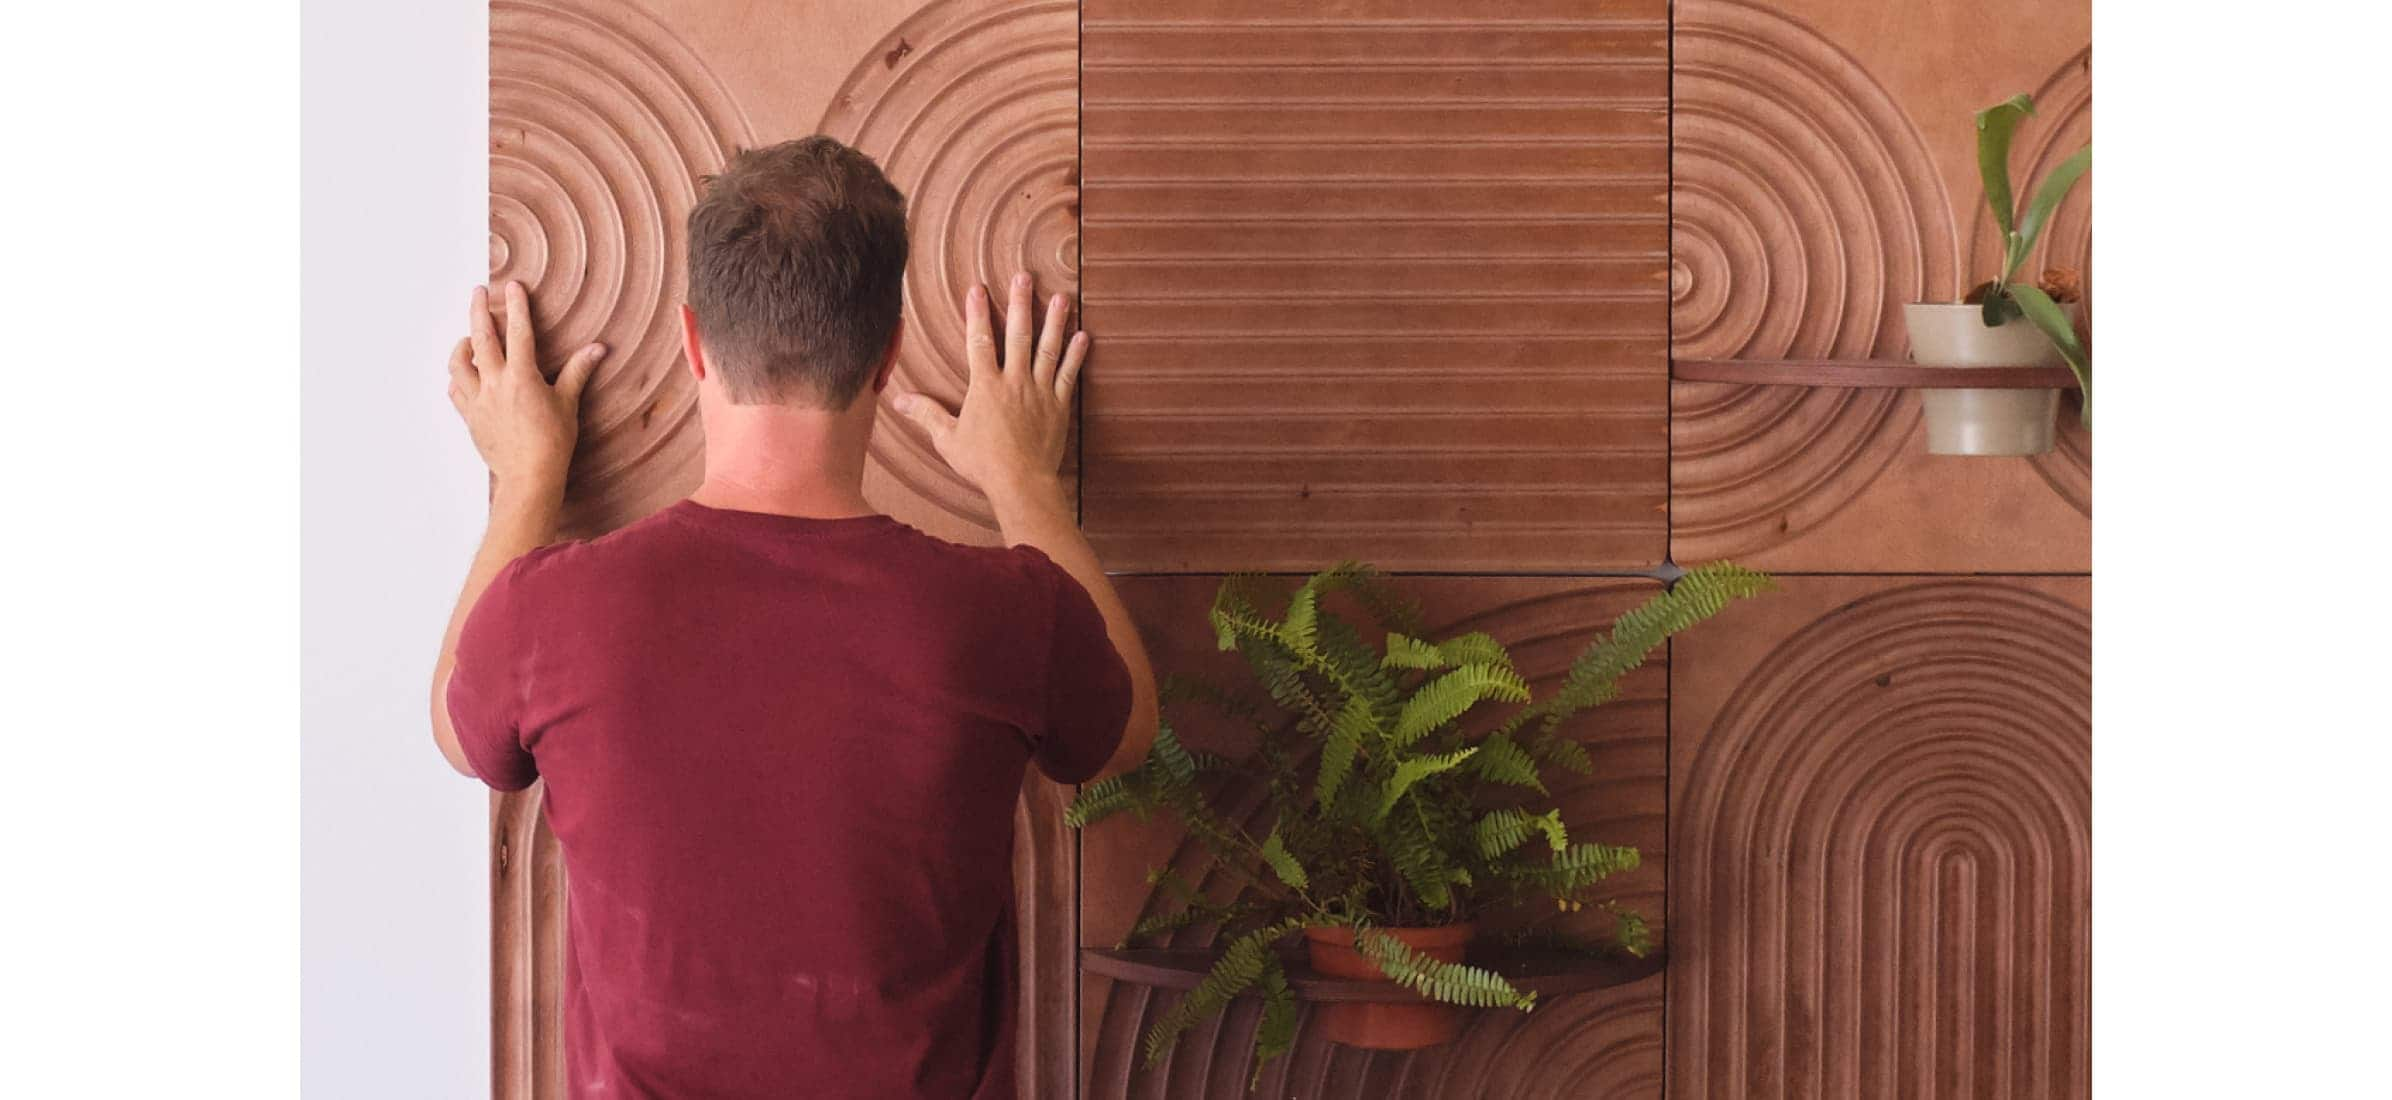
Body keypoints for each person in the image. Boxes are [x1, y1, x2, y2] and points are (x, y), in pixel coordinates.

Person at [427, 136, 1158, 1098]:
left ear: (694, 342)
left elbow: (460, 733)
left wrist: (524, 481)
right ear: (887, 356)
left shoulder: (548, 610)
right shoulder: (1003, 614)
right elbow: (1126, 732)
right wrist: (1024, 483)